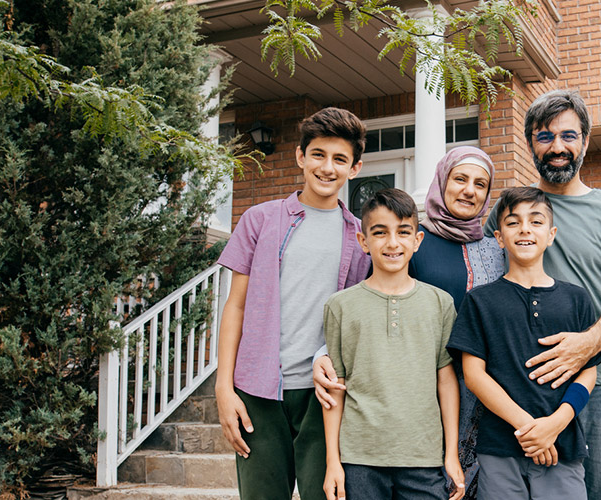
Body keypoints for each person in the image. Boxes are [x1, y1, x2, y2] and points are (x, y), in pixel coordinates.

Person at [485, 90, 601, 500]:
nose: (557, 146)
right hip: (524, 385)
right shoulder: (512, 210)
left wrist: (587, 345)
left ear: (585, 140)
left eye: (568, 135)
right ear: (530, 144)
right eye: (545, 137)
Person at [313, 146, 505, 498]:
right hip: (365, 447)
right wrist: (333, 459)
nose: (469, 189)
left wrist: (448, 452)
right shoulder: (347, 301)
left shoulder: (494, 248)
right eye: (460, 178)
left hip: (463, 409)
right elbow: (352, 342)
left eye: (480, 183)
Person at [213, 107, 371, 499]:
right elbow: (235, 307)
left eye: (340, 159)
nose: (327, 167)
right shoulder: (259, 220)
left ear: (355, 168)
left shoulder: (361, 238)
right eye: (318, 154)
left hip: (324, 395)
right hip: (258, 392)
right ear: (301, 157)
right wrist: (223, 388)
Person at [448, 187, 601, 500]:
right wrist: (529, 428)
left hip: (562, 446)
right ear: (499, 237)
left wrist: (555, 424)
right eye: (513, 222)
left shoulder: (576, 299)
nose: (525, 230)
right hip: (500, 448)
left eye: (536, 222)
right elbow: (474, 375)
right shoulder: (480, 301)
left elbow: (588, 372)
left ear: (551, 234)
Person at [321, 188, 464, 500]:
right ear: (363, 241)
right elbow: (336, 386)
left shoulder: (440, 303)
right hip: (360, 458)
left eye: (403, 232)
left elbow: (446, 381)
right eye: (380, 232)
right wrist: (333, 460)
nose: (392, 243)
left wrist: (450, 453)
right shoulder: (340, 306)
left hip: (424, 457)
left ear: (417, 240)